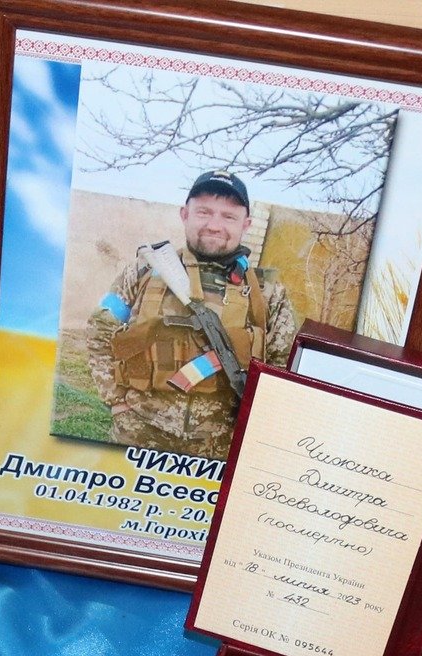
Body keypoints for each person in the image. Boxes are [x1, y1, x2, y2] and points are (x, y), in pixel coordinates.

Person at [83, 169, 298, 461]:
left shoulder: (268, 293)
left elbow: (282, 370)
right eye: (204, 212)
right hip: (137, 434)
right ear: (185, 214)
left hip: (219, 449)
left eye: (229, 216)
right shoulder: (144, 271)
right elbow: (99, 332)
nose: (214, 225)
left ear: (246, 224)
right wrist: (117, 402)